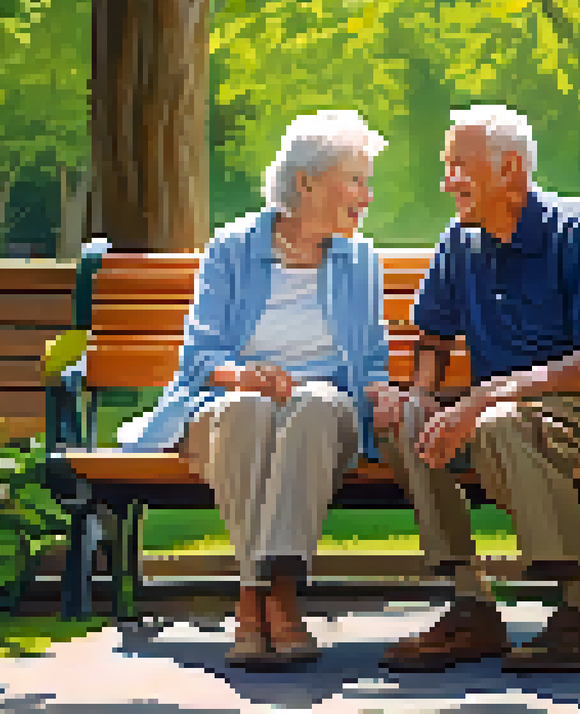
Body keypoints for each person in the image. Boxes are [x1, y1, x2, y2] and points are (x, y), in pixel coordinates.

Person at [370, 104, 580, 673]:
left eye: (460, 166)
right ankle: (470, 607)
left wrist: (485, 397)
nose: (447, 181)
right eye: (445, 165)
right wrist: (421, 393)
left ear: (510, 169)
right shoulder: (461, 241)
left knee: (501, 422)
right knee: (407, 420)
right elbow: (432, 336)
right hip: (506, 417)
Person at [116, 110, 394, 669]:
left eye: (367, 182)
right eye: (357, 180)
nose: (367, 195)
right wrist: (244, 377)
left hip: (323, 414)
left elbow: (369, 361)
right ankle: (263, 597)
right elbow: (199, 356)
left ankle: (268, 595)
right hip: (228, 403)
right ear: (306, 183)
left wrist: (381, 393)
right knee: (247, 412)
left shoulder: (360, 259)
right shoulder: (233, 248)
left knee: (314, 406)